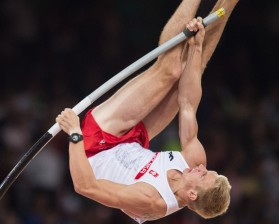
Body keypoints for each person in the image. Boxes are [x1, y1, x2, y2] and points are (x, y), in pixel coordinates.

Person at [56, 0, 239, 223]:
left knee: (170, 70)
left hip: (95, 146)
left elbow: (85, 186)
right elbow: (188, 105)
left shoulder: (150, 200)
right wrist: (196, 48)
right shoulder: (194, 161)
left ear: (192, 194)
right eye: (207, 170)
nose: (202, 167)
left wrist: (75, 133)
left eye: (203, 175)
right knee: (193, 68)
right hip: (133, 142)